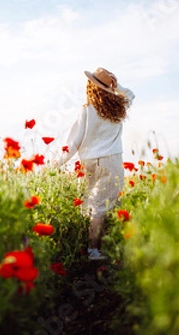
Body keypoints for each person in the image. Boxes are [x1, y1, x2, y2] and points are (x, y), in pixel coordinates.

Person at [56, 67, 135, 260]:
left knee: (93, 202)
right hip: (111, 159)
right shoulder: (119, 107)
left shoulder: (86, 110)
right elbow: (131, 94)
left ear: (91, 87)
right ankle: (95, 250)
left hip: (90, 160)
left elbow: (74, 140)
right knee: (106, 205)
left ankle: (95, 246)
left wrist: (57, 163)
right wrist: (118, 86)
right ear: (109, 87)